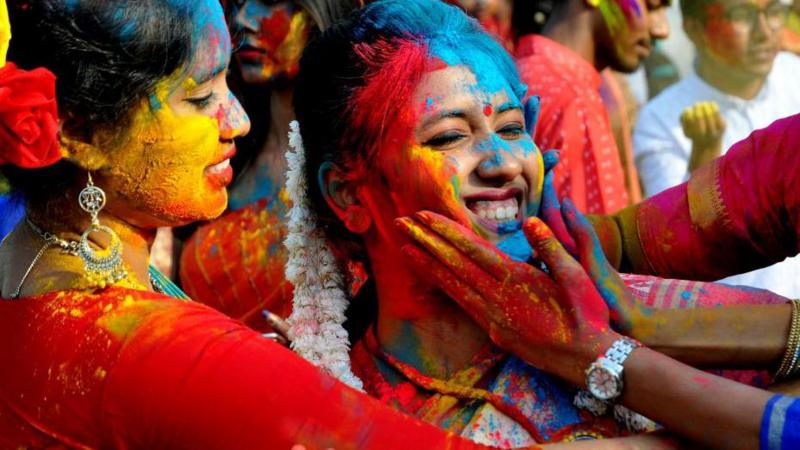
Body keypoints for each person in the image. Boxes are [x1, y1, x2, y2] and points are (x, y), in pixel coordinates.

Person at [0, 1, 578, 448]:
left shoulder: (27, 258)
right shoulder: (165, 353)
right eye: (200, 97)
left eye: (508, 127)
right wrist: (619, 366)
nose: (238, 119)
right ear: (77, 133)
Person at [288, 0, 800, 447]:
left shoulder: (653, 315)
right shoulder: (309, 394)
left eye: (512, 128)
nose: (504, 162)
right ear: (348, 194)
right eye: (448, 137)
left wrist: (622, 355)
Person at [177, 0, 360, 331]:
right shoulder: (218, 146)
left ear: (322, 12)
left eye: (269, 2)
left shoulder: (361, 167)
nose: (243, 19)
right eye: (240, 3)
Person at [632, 0, 800, 297]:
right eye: (741, 15)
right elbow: (675, 244)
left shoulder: (795, 76)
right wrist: (705, 150)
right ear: (695, 30)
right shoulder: (662, 119)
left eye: (774, 11)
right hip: (739, 327)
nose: (765, 31)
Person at [514, 0, 670, 214]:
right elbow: (595, 241)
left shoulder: (518, 71)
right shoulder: (575, 99)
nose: (662, 30)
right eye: (651, 6)